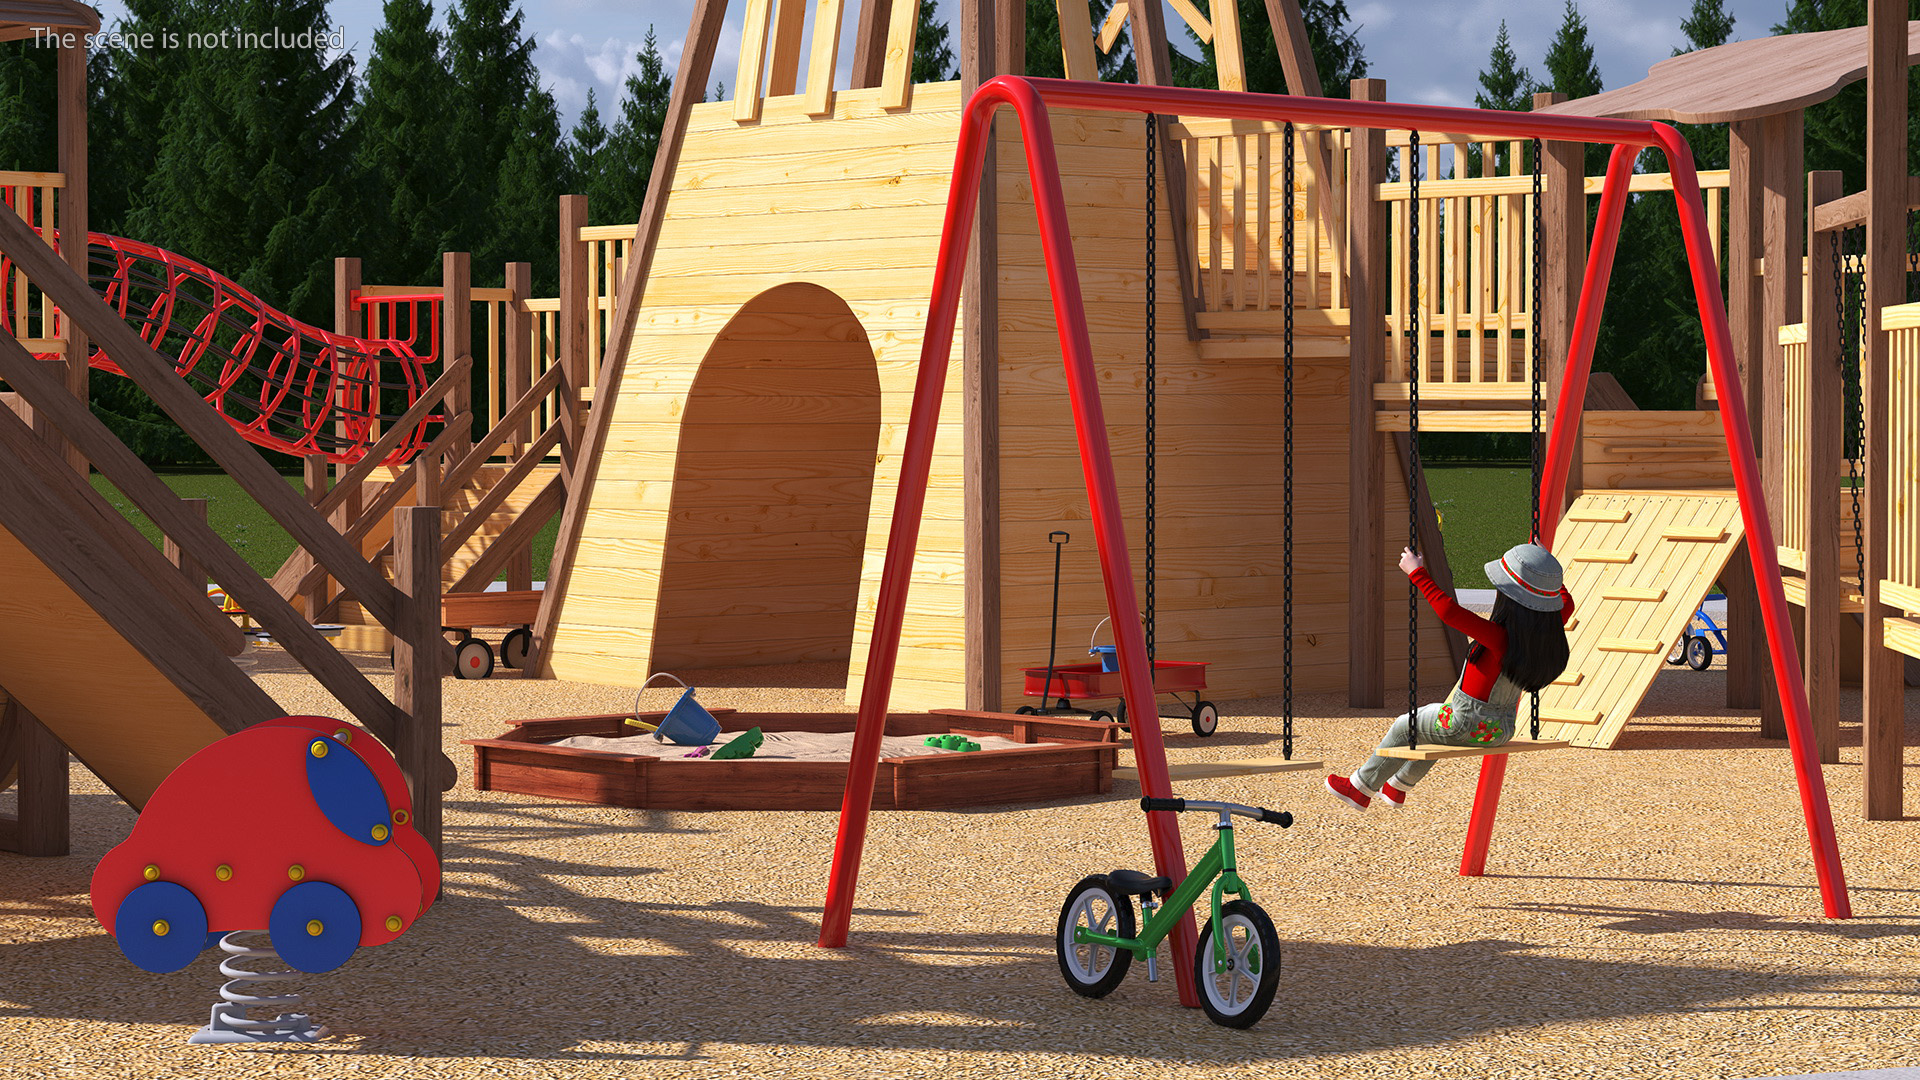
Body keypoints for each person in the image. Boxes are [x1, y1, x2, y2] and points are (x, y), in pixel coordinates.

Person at [1326, 541, 1574, 811]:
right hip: (1501, 730)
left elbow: (1449, 612)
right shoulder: (1544, 635)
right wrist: (1544, 565)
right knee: (1432, 728)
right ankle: (1397, 787)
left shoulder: (1499, 638)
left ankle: (1360, 788)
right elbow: (1567, 603)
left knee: (1404, 725)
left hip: (1466, 723)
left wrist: (1416, 573)